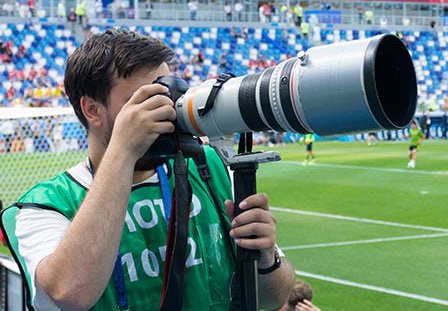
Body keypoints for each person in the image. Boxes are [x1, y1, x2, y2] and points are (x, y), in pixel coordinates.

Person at [0, 29, 295, 310]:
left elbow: (272, 299)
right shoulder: (43, 206)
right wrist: (124, 149)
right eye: (144, 101)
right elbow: (70, 293)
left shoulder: (212, 168)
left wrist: (266, 257)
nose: (165, 110)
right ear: (92, 110)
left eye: (167, 95)